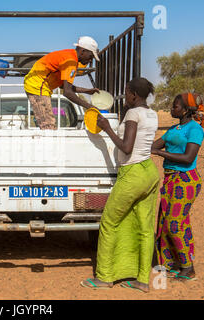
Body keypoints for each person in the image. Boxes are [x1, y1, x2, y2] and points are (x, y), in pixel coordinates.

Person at [80, 77, 159, 293]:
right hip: (150, 172)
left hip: (132, 173)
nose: (124, 96)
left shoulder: (133, 113)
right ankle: (142, 280)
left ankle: (104, 277)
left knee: (108, 222)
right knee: (145, 228)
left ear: (134, 94)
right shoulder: (152, 114)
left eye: (126, 92)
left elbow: (126, 147)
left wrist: (106, 127)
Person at [151, 93, 204, 281]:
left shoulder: (195, 129)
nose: (171, 109)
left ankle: (188, 267)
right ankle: (171, 263)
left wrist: (159, 153)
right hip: (170, 179)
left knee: (175, 223)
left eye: (175, 106)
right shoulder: (173, 129)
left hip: (186, 180)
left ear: (185, 109)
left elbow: (188, 157)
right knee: (166, 222)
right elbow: (153, 145)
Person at [24, 36, 101, 129]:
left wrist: (87, 91)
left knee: (47, 124)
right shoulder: (70, 61)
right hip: (37, 86)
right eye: (90, 56)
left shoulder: (70, 56)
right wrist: (90, 107)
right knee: (48, 125)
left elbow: (64, 87)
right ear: (83, 51)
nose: (90, 60)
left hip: (38, 85)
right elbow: (67, 92)